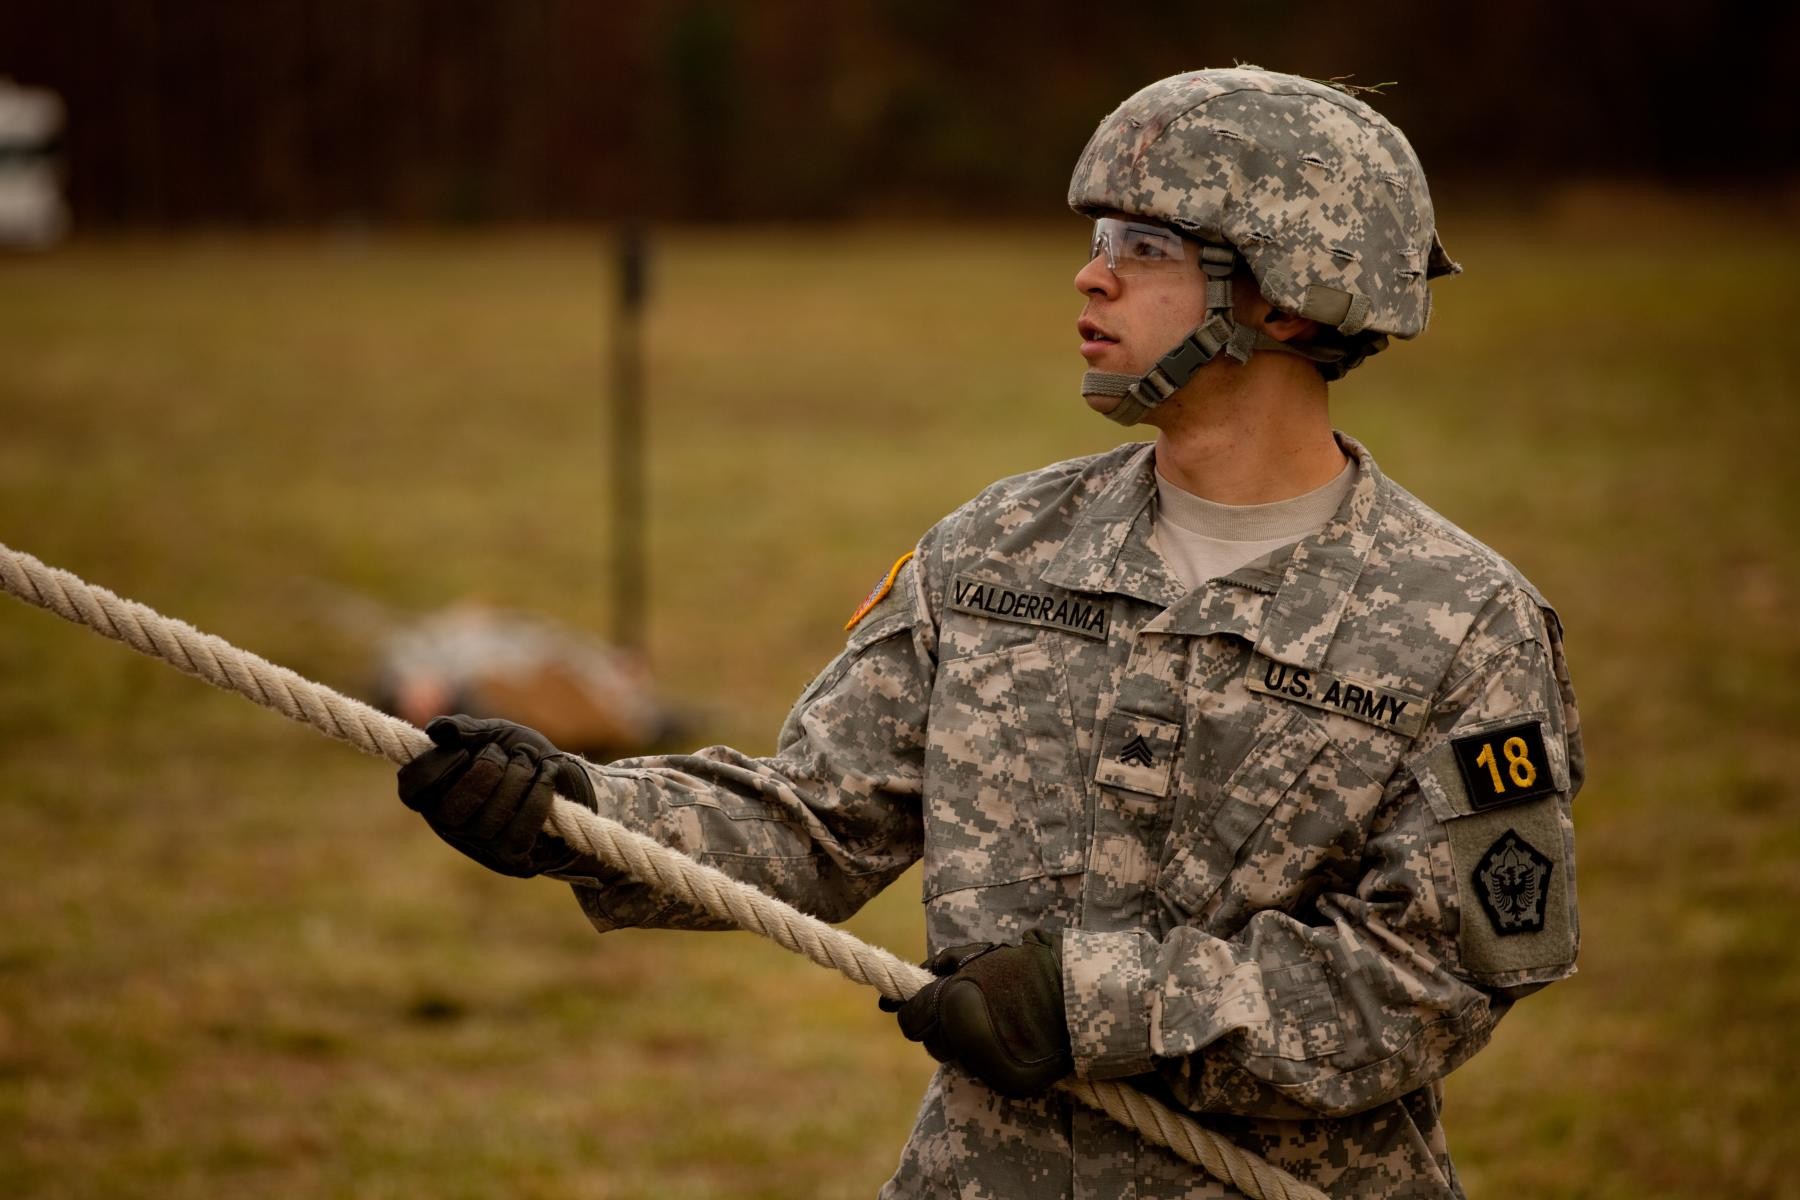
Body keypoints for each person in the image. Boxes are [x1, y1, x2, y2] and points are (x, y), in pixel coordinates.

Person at [396, 65, 1583, 1199]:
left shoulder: (1463, 625)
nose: (1089, 278)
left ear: (1282, 295)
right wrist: (575, 815)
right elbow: (812, 820)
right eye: (1096, 242)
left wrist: (1087, 1007)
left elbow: (1438, 974)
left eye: (1145, 250)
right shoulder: (995, 551)